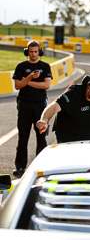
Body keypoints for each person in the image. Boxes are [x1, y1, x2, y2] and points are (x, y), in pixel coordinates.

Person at [12, 40, 53, 177]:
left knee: (41, 137)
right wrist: (30, 77)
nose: (33, 54)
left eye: (36, 51)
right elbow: (17, 86)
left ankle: (41, 166)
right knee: (23, 138)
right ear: (27, 52)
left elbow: (46, 85)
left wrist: (26, 82)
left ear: (39, 52)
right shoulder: (21, 66)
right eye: (31, 51)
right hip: (24, 105)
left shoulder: (45, 66)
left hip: (40, 105)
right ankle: (20, 167)